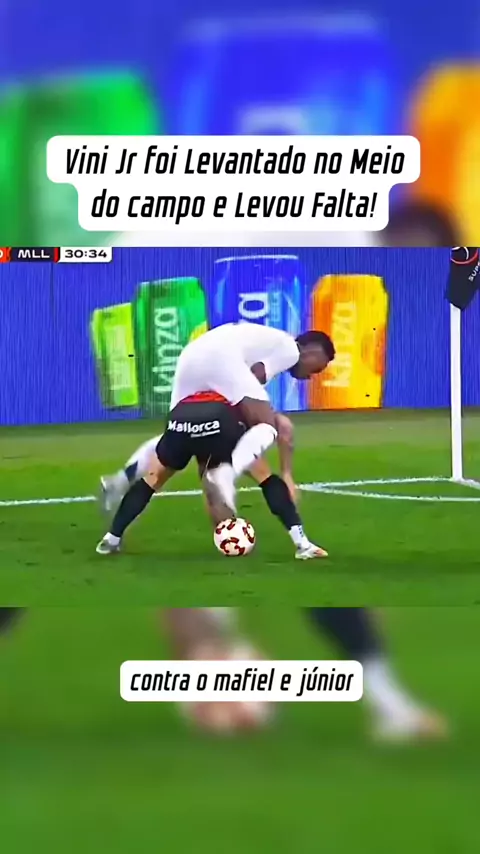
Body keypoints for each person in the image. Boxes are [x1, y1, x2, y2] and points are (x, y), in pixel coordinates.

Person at [96, 322, 334, 555]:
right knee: (269, 436)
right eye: (316, 369)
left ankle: (112, 534)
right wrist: (283, 464)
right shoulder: (291, 349)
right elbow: (254, 378)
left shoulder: (253, 345)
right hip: (220, 383)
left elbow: (236, 384)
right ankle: (302, 543)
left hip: (189, 362)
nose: (310, 377)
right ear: (312, 352)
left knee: (167, 451)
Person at [97, 411, 327, 559]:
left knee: (153, 478)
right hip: (219, 424)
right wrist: (286, 473)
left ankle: (111, 539)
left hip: (181, 423)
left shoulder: (191, 385)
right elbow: (281, 427)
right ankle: (302, 544)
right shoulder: (241, 390)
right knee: (263, 475)